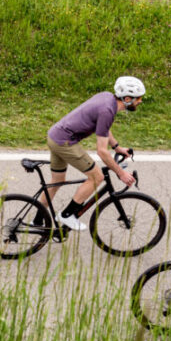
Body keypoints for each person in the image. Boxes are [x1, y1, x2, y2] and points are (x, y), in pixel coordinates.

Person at [43, 76, 144, 231]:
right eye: (138, 99)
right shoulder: (108, 110)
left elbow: (104, 126)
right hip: (64, 142)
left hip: (54, 135)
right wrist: (121, 173)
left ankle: (38, 218)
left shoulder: (106, 98)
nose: (140, 102)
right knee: (97, 177)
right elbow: (102, 152)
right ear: (128, 98)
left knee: (57, 180)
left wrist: (116, 147)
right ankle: (67, 215)